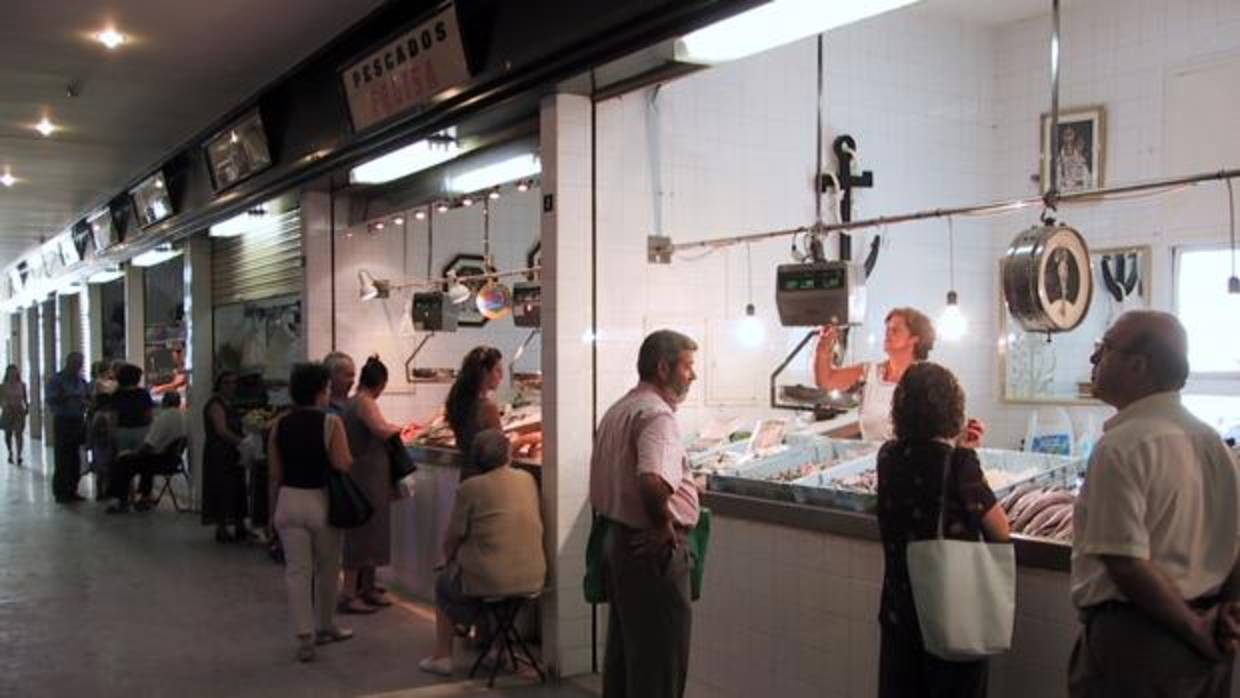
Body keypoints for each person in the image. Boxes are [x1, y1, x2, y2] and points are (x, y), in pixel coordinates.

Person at [1068, 310, 1240, 697]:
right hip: (1210, 644)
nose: (1094, 358)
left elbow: (1125, 562)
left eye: (1106, 346)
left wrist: (1194, 630)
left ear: (1137, 365)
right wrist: (1227, 611)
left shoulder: (1121, 446)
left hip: (1138, 642)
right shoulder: (1215, 445)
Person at [875, 362, 1010, 698]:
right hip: (951, 613)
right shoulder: (960, 465)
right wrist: (965, 455)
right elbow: (1001, 530)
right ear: (953, 408)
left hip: (899, 611)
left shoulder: (888, 456)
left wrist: (959, 449)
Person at [589, 329, 701, 698]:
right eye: (688, 366)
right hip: (650, 550)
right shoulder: (657, 416)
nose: (693, 375)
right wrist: (663, 524)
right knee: (659, 665)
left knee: (628, 660)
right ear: (664, 366)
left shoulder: (620, 408)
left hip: (620, 541)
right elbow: (652, 480)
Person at [419, 429, 546, 676]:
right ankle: (495, 650)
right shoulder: (527, 479)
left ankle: (442, 656)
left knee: (445, 584)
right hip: (534, 577)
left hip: (491, 581)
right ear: (508, 455)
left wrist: (448, 562)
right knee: (497, 581)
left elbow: (453, 537)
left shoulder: (470, 488)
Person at [268, 362, 355, 663]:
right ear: (322, 391)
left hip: (288, 501)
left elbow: (275, 474)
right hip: (321, 501)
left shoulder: (279, 424)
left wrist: (271, 514)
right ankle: (326, 625)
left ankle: (305, 637)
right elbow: (343, 464)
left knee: (297, 572)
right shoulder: (331, 423)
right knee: (329, 569)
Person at [814, 308, 937, 442]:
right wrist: (823, 347)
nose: (887, 334)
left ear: (914, 339)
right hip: (870, 459)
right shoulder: (869, 372)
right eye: (887, 329)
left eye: (895, 330)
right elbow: (825, 380)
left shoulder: (925, 381)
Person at [339, 355, 402, 614]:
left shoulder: (355, 402)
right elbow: (380, 430)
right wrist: (399, 429)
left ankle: (368, 587)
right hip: (366, 478)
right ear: (381, 384)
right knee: (361, 535)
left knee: (372, 533)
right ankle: (350, 593)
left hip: (368, 477)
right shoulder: (365, 403)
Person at [106, 392, 187, 514]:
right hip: (172, 459)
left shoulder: (164, 418)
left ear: (164, 402)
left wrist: (135, 453)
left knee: (124, 462)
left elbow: (150, 444)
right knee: (141, 461)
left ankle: (121, 500)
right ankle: (144, 497)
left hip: (159, 460)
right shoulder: (181, 417)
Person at [445, 346, 504, 479]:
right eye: (498, 370)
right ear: (484, 372)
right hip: (485, 481)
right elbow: (501, 455)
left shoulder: (457, 401)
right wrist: (527, 439)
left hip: (466, 478)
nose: (502, 376)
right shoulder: (487, 407)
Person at [203, 371, 248, 542]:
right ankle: (221, 528)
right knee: (221, 488)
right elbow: (221, 430)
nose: (231, 386)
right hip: (219, 453)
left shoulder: (230, 404)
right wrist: (242, 442)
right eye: (227, 383)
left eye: (234, 383)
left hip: (232, 452)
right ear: (219, 385)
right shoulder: (216, 404)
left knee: (237, 487)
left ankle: (239, 525)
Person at [46, 352, 89, 504]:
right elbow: (51, 399)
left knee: (75, 458)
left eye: (80, 363)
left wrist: (84, 402)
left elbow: (87, 398)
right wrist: (68, 397)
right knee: (62, 457)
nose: (78, 366)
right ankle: (60, 492)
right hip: (63, 420)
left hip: (78, 420)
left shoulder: (81, 381)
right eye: (75, 362)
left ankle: (72, 489)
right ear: (68, 362)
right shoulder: (56, 380)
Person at [107, 363, 154, 455]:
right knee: (140, 460)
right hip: (141, 429)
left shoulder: (116, 395)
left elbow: (113, 417)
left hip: (122, 431)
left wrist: (111, 434)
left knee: (123, 460)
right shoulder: (144, 394)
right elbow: (149, 414)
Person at [2, 364, 29, 466]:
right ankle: (10, 452)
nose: (13, 373)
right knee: (8, 434)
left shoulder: (22, 385)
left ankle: (19, 455)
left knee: (19, 434)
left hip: (19, 411)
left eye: (15, 371)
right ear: (7, 373)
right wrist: (4, 404)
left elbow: (25, 399)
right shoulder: (3, 386)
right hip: (8, 411)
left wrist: (27, 407)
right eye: (11, 371)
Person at [323, 351, 355, 417]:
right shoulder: (322, 409)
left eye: (353, 376)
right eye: (348, 376)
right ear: (331, 376)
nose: (352, 381)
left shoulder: (356, 406)